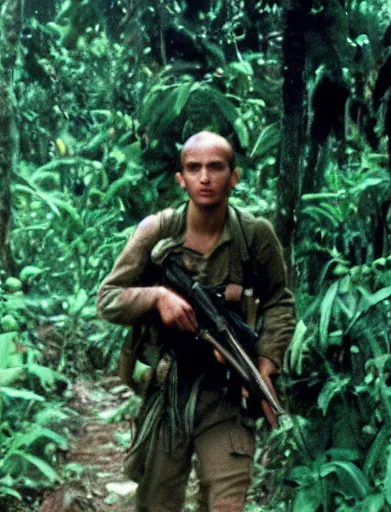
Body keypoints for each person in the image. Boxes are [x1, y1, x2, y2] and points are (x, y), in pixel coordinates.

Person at [96, 131, 295, 512]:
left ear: (234, 177)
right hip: (168, 390)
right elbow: (108, 300)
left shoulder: (255, 236)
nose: (205, 178)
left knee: (225, 504)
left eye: (216, 168)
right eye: (194, 168)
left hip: (227, 395)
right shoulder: (157, 231)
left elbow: (279, 301)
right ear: (180, 178)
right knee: (157, 503)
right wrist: (157, 297)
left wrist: (266, 364)